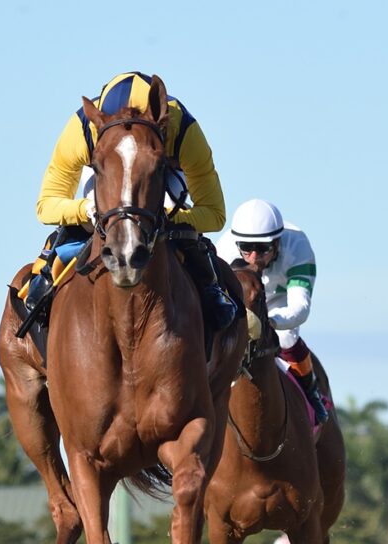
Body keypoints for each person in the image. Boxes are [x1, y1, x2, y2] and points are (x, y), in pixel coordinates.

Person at [23, 71, 237, 329]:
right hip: (107, 170)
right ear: (98, 124)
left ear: (161, 121)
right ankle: (44, 275)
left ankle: (210, 287)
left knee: (171, 206)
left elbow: (215, 214)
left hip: (159, 170)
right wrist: (88, 210)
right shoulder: (81, 131)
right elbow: (46, 206)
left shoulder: (184, 130)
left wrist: (169, 217)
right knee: (95, 214)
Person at [220, 199, 329, 424]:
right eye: (246, 248)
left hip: (278, 305)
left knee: (287, 337)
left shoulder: (298, 248)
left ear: (277, 243)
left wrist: (270, 322)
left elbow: (300, 308)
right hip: (242, 305)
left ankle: (311, 392)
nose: (252, 257)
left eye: (262, 249)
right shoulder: (224, 249)